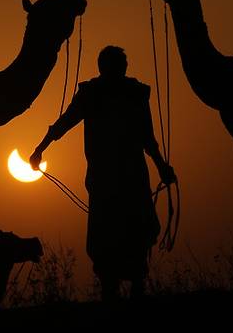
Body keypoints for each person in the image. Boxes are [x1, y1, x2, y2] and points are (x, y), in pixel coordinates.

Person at [30, 45, 176, 301]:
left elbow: (64, 123)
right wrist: (162, 166)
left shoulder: (102, 94)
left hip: (111, 179)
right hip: (124, 178)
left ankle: (118, 295)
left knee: (115, 235)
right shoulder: (130, 94)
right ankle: (126, 293)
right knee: (127, 234)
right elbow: (147, 139)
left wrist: (40, 149)